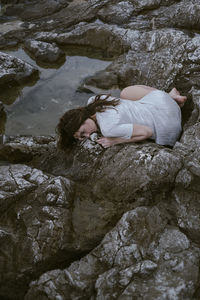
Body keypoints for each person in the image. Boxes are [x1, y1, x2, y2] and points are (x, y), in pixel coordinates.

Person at [56, 85, 187, 150]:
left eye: (83, 132)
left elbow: (147, 132)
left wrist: (115, 141)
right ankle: (171, 97)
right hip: (163, 106)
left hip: (169, 131)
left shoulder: (108, 129)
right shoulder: (95, 100)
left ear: (82, 118)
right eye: (81, 137)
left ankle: (172, 99)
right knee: (125, 93)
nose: (88, 136)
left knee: (125, 95)